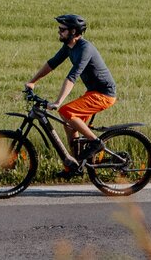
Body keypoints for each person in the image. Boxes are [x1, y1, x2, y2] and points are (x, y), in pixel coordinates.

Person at [25, 14, 117, 179]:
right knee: (69, 125)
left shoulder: (85, 48)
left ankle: (96, 143)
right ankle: (75, 165)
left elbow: (72, 76)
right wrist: (32, 81)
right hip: (93, 92)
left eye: (62, 29)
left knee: (66, 111)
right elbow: (52, 63)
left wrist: (58, 102)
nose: (59, 32)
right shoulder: (69, 47)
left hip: (104, 94)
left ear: (73, 31)